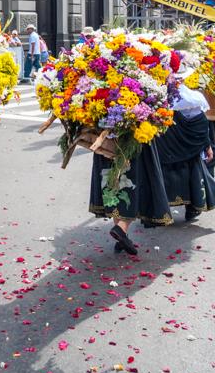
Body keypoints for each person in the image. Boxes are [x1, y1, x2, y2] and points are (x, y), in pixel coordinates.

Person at [89, 142, 172, 255]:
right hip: (133, 137)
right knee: (136, 182)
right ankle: (121, 229)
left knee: (113, 184)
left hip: (107, 140)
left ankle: (121, 235)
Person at [155, 87, 215, 221]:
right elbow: (200, 123)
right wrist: (207, 145)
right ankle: (192, 206)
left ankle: (160, 210)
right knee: (191, 174)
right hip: (186, 148)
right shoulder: (191, 97)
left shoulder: (154, 96)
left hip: (166, 147)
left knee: (166, 175)